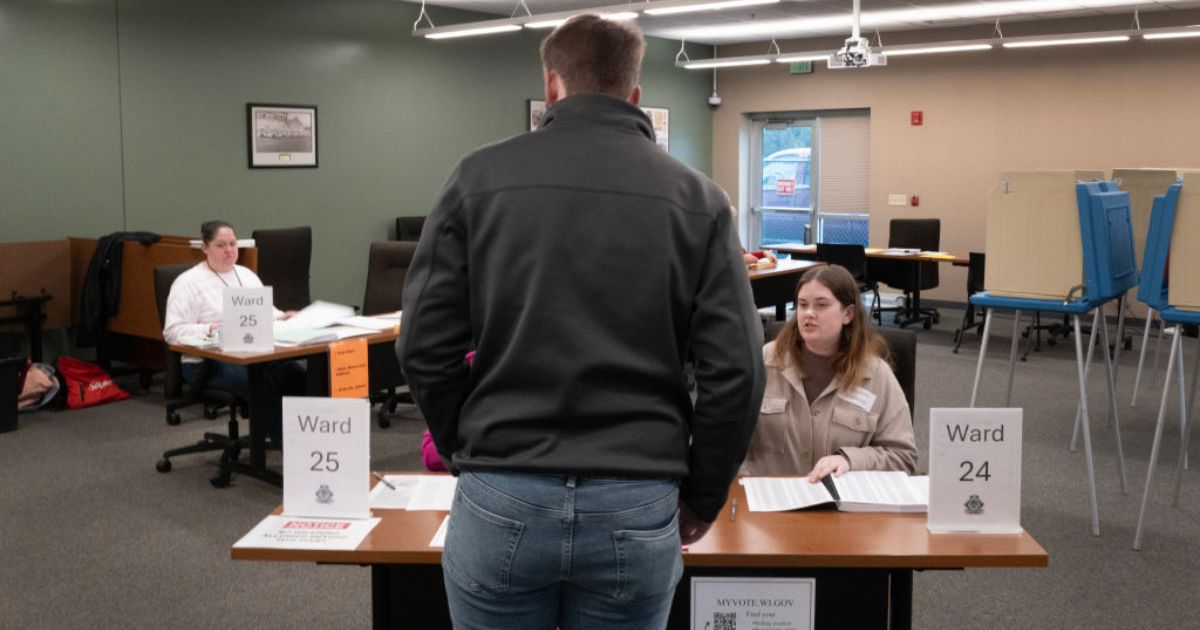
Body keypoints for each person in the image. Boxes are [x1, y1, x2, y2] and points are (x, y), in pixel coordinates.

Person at [397, 15, 764, 630]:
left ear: (551, 87)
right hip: (637, 494)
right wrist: (704, 493)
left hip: (503, 486)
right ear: (635, 94)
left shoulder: (475, 179)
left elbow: (422, 346)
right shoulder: (699, 199)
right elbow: (740, 371)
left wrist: (471, 442)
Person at [741, 264, 916, 482]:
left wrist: (850, 461)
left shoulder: (876, 374)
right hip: (773, 504)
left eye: (821, 305)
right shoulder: (765, 361)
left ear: (848, 313)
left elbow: (903, 457)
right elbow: (728, 437)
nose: (809, 313)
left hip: (842, 507)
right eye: (802, 305)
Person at [162, 220, 306, 447]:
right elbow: (172, 332)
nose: (229, 250)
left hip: (253, 353)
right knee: (261, 383)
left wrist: (282, 316)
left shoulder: (246, 275)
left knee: (296, 375)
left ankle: (306, 443)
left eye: (232, 244)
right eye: (221, 245)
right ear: (205, 248)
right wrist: (209, 329)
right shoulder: (187, 283)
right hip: (208, 361)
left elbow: (265, 312)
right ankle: (290, 448)